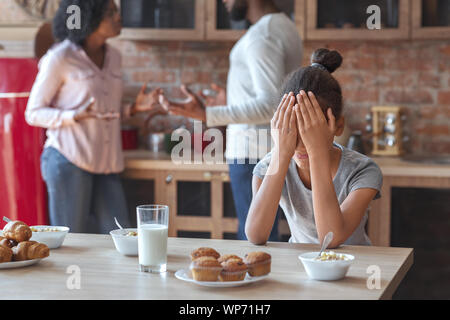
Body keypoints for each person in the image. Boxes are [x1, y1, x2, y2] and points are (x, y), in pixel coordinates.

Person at [159, 0, 303, 241]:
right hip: (266, 148)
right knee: (263, 236)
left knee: (254, 239)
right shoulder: (284, 26)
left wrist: (206, 115)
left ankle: (253, 281)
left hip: (252, 152)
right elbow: (274, 95)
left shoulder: (262, 35)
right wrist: (229, 100)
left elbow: (271, 105)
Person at [25, 0, 163, 233]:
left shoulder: (115, 57)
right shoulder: (60, 57)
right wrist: (73, 115)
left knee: (120, 236)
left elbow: (101, 110)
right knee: (72, 241)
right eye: (111, 12)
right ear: (89, 17)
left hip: (107, 163)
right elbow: (33, 113)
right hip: (68, 160)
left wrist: (133, 109)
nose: (119, 17)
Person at [246, 49, 383, 247]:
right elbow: (256, 235)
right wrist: (281, 152)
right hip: (300, 264)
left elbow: (331, 238)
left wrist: (317, 153)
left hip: (354, 265)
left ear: (338, 126)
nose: (301, 144)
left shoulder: (363, 171)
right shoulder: (268, 168)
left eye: (310, 131)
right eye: (292, 129)